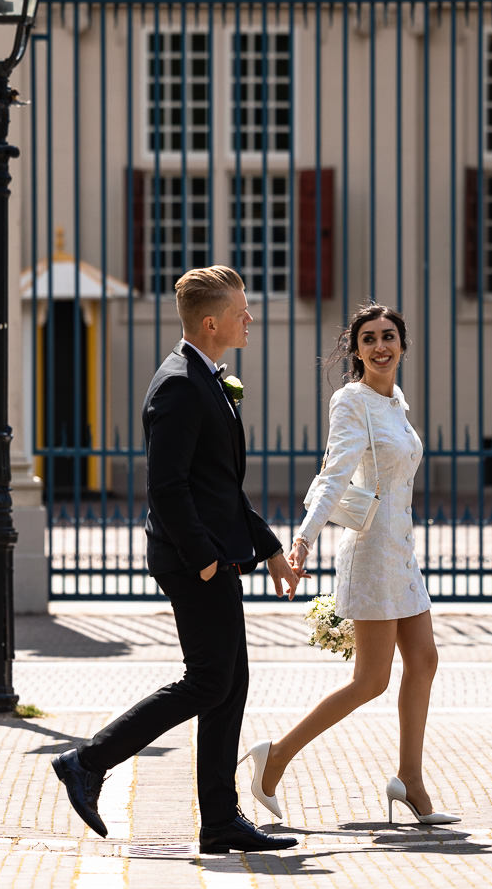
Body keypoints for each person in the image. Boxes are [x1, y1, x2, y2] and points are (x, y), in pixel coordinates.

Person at [52, 265, 302, 854]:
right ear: (212, 321)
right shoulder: (180, 385)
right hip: (195, 562)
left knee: (229, 684)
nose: (250, 317)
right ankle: (87, 761)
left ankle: (219, 820)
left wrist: (268, 550)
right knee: (209, 680)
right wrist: (207, 562)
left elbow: (218, 488)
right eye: (242, 309)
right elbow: (166, 486)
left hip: (213, 555)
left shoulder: (207, 378)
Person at [244, 303, 461, 826]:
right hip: (370, 553)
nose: (381, 346)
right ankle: (274, 757)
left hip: (401, 552)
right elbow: (334, 475)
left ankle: (410, 781)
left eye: (389, 336)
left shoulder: (397, 404)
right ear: (357, 350)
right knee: (371, 681)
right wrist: (303, 539)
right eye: (369, 339)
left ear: (403, 346)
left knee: (425, 661)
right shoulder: (352, 401)